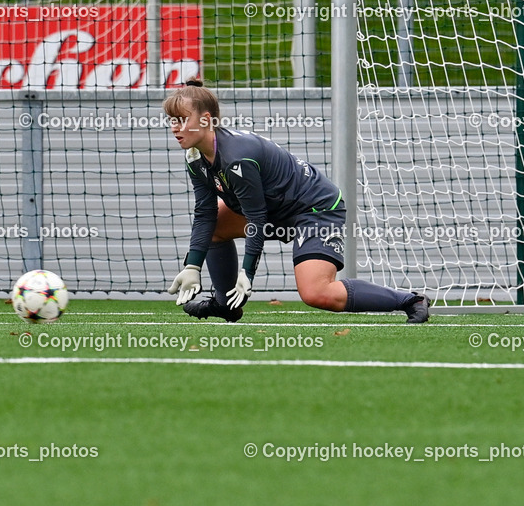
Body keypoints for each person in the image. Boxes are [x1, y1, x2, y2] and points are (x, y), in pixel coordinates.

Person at [164, 80, 430, 324]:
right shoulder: (194, 156)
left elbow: (256, 218)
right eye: (171, 121)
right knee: (215, 224)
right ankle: (226, 305)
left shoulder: (237, 159)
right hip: (275, 209)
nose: (174, 127)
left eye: (182, 120)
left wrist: (247, 273)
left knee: (317, 293)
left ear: (206, 119)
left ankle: (410, 300)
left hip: (314, 209)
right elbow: (205, 213)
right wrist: (192, 266)